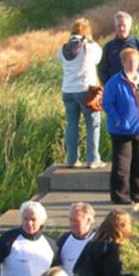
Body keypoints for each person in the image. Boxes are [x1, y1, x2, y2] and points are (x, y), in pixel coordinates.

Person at [102, 47, 139, 206]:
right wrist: (119, 121)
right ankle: (120, 195)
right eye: (129, 61)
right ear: (123, 62)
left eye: (135, 61)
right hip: (121, 131)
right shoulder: (115, 82)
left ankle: (138, 194)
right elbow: (107, 103)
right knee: (122, 166)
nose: (132, 64)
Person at [55, 17, 103, 168]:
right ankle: (93, 160)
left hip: (68, 90)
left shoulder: (63, 49)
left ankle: (72, 159)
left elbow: (58, 58)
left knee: (72, 125)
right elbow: (98, 58)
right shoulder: (89, 47)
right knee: (93, 125)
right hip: (86, 90)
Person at [98, 11, 139, 85]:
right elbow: (102, 71)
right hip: (116, 88)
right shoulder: (109, 47)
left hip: (135, 88)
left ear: (129, 27)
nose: (121, 28)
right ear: (115, 27)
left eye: (124, 25)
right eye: (119, 26)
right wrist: (109, 86)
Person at [55, 202, 95, 276]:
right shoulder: (63, 241)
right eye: (71, 220)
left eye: (76, 221)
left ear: (89, 221)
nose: (72, 224)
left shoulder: (98, 241)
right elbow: (55, 268)